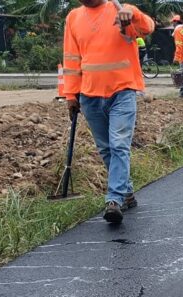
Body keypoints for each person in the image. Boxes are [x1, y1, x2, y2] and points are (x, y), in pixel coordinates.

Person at [63, 0, 154, 224]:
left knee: (119, 145)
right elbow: (71, 58)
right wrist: (70, 95)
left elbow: (148, 27)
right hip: (90, 95)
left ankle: (113, 199)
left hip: (122, 92)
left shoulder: (120, 10)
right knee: (106, 149)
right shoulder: (73, 17)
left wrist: (131, 13)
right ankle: (126, 192)